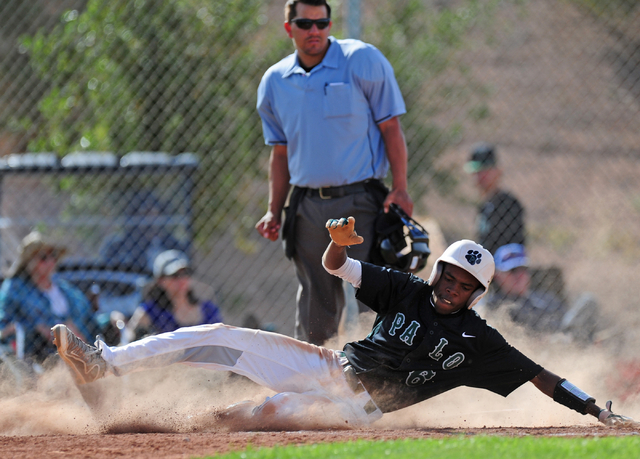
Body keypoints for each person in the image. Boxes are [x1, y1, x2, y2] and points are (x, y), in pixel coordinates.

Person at [51, 217, 636, 430]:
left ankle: (138, 428)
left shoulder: (480, 341)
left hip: (361, 409)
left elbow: (541, 377)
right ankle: (105, 364)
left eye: (467, 285)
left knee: (257, 415)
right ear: (438, 274)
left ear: (478, 293)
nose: (456, 288)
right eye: (451, 276)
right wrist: (335, 246)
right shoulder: (407, 288)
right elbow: (338, 267)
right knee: (220, 339)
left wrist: (595, 410)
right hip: (332, 367)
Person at [254, 0, 413, 345]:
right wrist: (273, 208)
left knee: (376, 288)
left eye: (322, 23)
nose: (315, 31)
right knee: (316, 299)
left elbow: (391, 128)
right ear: (288, 28)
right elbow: (279, 153)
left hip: (362, 199)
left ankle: (386, 378)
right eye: (305, 24)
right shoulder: (275, 82)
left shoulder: (362, 60)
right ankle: (313, 385)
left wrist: (399, 187)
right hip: (308, 205)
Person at [0, 231, 96, 362]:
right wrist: (43, 329)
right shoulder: (15, 287)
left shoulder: (66, 289)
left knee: (114, 324)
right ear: (29, 261)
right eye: (43, 257)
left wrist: (109, 320)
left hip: (82, 346)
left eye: (54, 256)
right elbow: (5, 325)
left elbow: (91, 320)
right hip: (43, 351)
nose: (50, 261)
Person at [482, 243, 600, 342]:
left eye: (524, 269)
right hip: (542, 351)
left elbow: (568, 322)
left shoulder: (545, 299)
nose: (520, 275)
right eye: (513, 271)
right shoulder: (496, 306)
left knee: (587, 301)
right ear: (498, 276)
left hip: (566, 341)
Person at [123, 250, 223, 342]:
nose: (182, 279)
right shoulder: (151, 312)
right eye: (175, 275)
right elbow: (129, 341)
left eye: (185, 273)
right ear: (160, 281)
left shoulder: (208, 309)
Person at [465, 143, 525, 255]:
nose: (480, 176)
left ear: (497, 171)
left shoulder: (508, 204)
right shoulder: (485, 206)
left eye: (485, 171)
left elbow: (513, 245)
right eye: (477, 172)